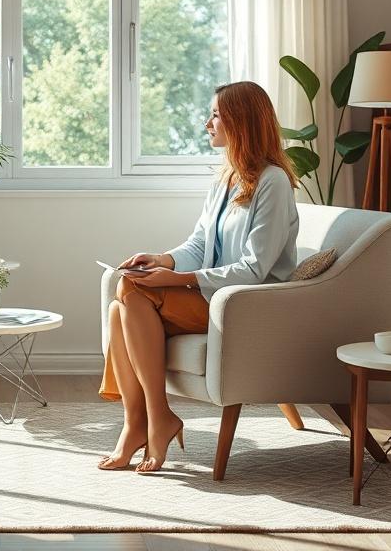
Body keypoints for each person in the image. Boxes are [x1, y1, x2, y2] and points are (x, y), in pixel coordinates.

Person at [98, 81, 299, 473]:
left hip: (245, 305)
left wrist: (177, 280)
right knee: (120, 306)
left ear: (241, 122)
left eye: (216, 115)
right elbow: (200, 243)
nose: (207, 123)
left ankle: (151, 421)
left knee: (128, 295)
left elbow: (254, 269)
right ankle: (142, 423)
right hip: (211, 297)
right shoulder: (227, 178)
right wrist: (162, 260)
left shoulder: (273, 182)